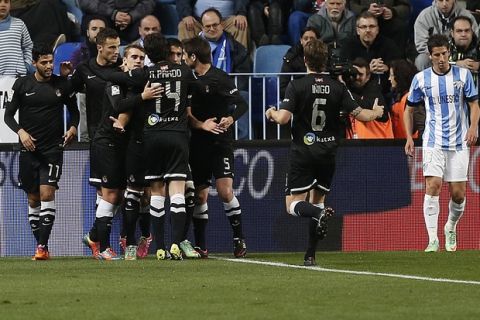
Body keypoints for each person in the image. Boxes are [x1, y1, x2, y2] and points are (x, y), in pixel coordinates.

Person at [265, 39, 384, 266]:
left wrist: (270, 112)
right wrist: (377, 111)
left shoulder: (296, 85)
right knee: (318, 201)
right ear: (326, 61)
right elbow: (362, 115)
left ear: (306, 60)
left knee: (293, 206)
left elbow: (283, 119)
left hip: (303, 153)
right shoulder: (338, 87)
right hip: (328, 153)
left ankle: (318, 217)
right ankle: (310, 255)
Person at [404, 34, 480, 252]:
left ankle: (451, 226)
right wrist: (409, 136)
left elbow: (474, 105)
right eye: (436, 55)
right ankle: (432, 239)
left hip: (459, 141)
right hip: (433, 141)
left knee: (458, 194)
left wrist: (473, 127)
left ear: (449, 52)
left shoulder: (463, 75)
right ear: (429, 55)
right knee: (433, 186)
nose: (440, 58)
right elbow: (408, 109)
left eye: (444, 54)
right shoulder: (421, 79)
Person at [4, 44, 79, 260]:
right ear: (34, 63)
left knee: (47, 194)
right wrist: (21, 132)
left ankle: (42, 247)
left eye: (50, 62)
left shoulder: (61, 85)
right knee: (33, 199)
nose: (48, 66)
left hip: (52, 149)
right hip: (29, 150)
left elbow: (74, 113)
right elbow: (8, 116)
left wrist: (73, 127)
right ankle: (41, 246)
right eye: (44, 62)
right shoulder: (23, 84)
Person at [183, 36, 248, 258]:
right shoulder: (187, 79)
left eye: (185, 55)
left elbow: (242, 104)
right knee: (199, 196)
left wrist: (230, 119)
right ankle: (201, 245)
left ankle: (239, 239)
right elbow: (188, 115)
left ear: (193, 56)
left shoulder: (220, 78)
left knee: (225, 191)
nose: (183, 59)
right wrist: (203, 126)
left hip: (221, 142)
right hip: (197, 144)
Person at [414, 0, 478, 71]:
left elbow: (476, 40)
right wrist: (452, 62)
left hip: (464, 55)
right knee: (422, 60)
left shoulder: (467, 16)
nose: (444, 4)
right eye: (441, 0)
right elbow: (422, 45)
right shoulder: (424, 17)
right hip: (436, 56)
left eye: (448, 0)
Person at [348, 57, 393, 138]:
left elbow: (364, 106)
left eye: (361, 74)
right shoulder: (352, 90)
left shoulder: (374, 90)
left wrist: (344, 92)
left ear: (368, 77)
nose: (357, 77)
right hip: (359, 144)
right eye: (354, 74)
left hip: (379, 145)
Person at [177, 0, 249, 49]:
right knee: (184, 25)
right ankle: (186, 65)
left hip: (226, 21)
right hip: (199, 21)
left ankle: (239, 65)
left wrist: (241, 13)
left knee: (241, 25)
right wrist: (186, 15)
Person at [78, 0, 156, 43]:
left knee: (149, 23)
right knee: (95, 26)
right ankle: (97, 64)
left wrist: (131, 16)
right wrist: (113, 14)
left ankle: (145, 64)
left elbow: (149, 2)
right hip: (103, 15)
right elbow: (85, 2)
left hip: (132, 17)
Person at [280, 26, 319, 98]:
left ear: (318, 40)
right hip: (298, 99)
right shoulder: (291, 58)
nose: (308, 41)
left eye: (312, 38)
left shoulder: (325, 57)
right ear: (301, 40)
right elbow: (282, 89)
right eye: (305, 38)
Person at [0, 0, 33, 76]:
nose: (3, 5)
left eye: (6, 1)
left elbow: (28, 46)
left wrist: (27, 65)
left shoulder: (19, 24)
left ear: (10, 5)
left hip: (18, 77)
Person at [388, 59, 419, 138]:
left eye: (391, 75)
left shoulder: (410, 99)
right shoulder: (398, 97)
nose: (389, 79)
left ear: (399, 76)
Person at [449, 16, 480, 84]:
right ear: (452, 33)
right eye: (459, 31)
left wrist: (478, 66)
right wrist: (456, 64)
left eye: (467, 30)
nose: (463, 34)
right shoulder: (444, 47)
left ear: (472, 32)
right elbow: (435, 65)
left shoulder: (478, 46)